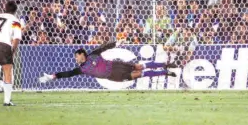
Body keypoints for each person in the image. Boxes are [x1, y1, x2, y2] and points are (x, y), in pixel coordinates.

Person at [39, 40, 177, 84]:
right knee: (139, 75)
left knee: (140, 66)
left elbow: (104, 47)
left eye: (77, 56)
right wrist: (53, 76)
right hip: (113, 76)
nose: (76, 59)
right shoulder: (82, 69)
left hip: (116, 65)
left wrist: (117, 42)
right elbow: (68, 73)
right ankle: (165, 72)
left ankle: (164, 65)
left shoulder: (93, 55)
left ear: (82, 54)